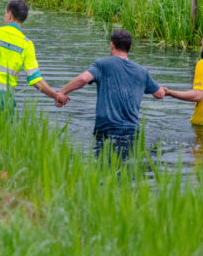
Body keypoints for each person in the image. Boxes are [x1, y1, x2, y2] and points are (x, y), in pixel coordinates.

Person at [56, 29, 166, 159]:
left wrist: (61, 92)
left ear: (112, 45)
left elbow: (83, 79)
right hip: (132, 132)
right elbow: (159, 94)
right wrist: (166, 90)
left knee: (105, 170)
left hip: (106, 130)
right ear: (130, 47)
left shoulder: (102, 64)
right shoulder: (142, 72)